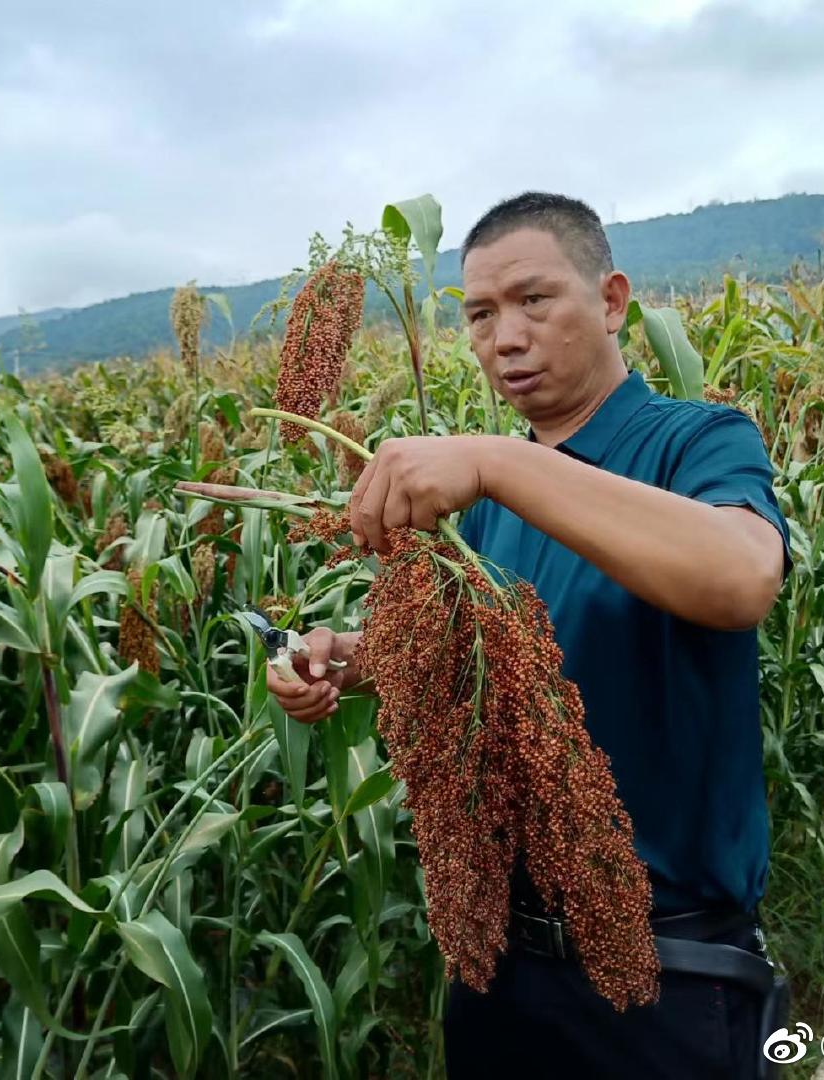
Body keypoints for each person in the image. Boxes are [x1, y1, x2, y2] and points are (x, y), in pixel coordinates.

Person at [265, 192, 792, 1078]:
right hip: (498, 962)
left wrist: (501, 461)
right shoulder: (484, 509)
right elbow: (475, 658)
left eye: (533, 301)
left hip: (660, 970)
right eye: (479, 314)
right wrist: (338, 661)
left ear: (613, 301)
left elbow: (740, 580)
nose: (504, 338)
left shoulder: (694, 441)